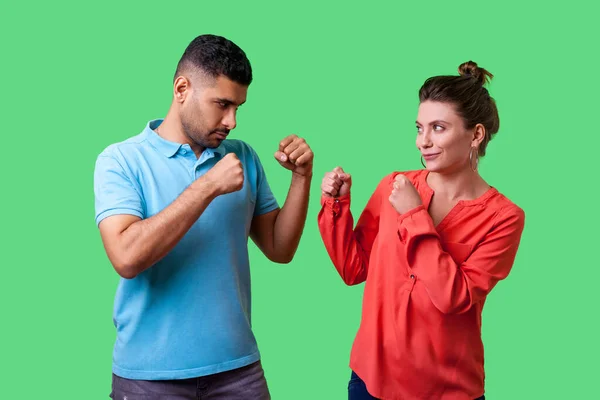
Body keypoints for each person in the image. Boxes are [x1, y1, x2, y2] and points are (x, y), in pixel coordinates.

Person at [94, 34, 314, 400]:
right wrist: (206, 186)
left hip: (239, 370)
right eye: (222, 104)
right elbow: (126, 256)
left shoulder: (242, 157)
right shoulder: (120, 160)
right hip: (150, 378)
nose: (232, 121)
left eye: (238, 107)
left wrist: (301, 179)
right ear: (182, 88)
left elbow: (280, 247)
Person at [318, 61, 525, 400]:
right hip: (370, 379)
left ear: (475, 134)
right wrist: (336, 206)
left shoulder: (503, 217)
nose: (422, 142)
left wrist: (414, 214)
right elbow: (353, 269)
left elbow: (453, 298)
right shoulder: (394, 185)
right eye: (419, 128)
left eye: (438, 128)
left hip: (447, 389)